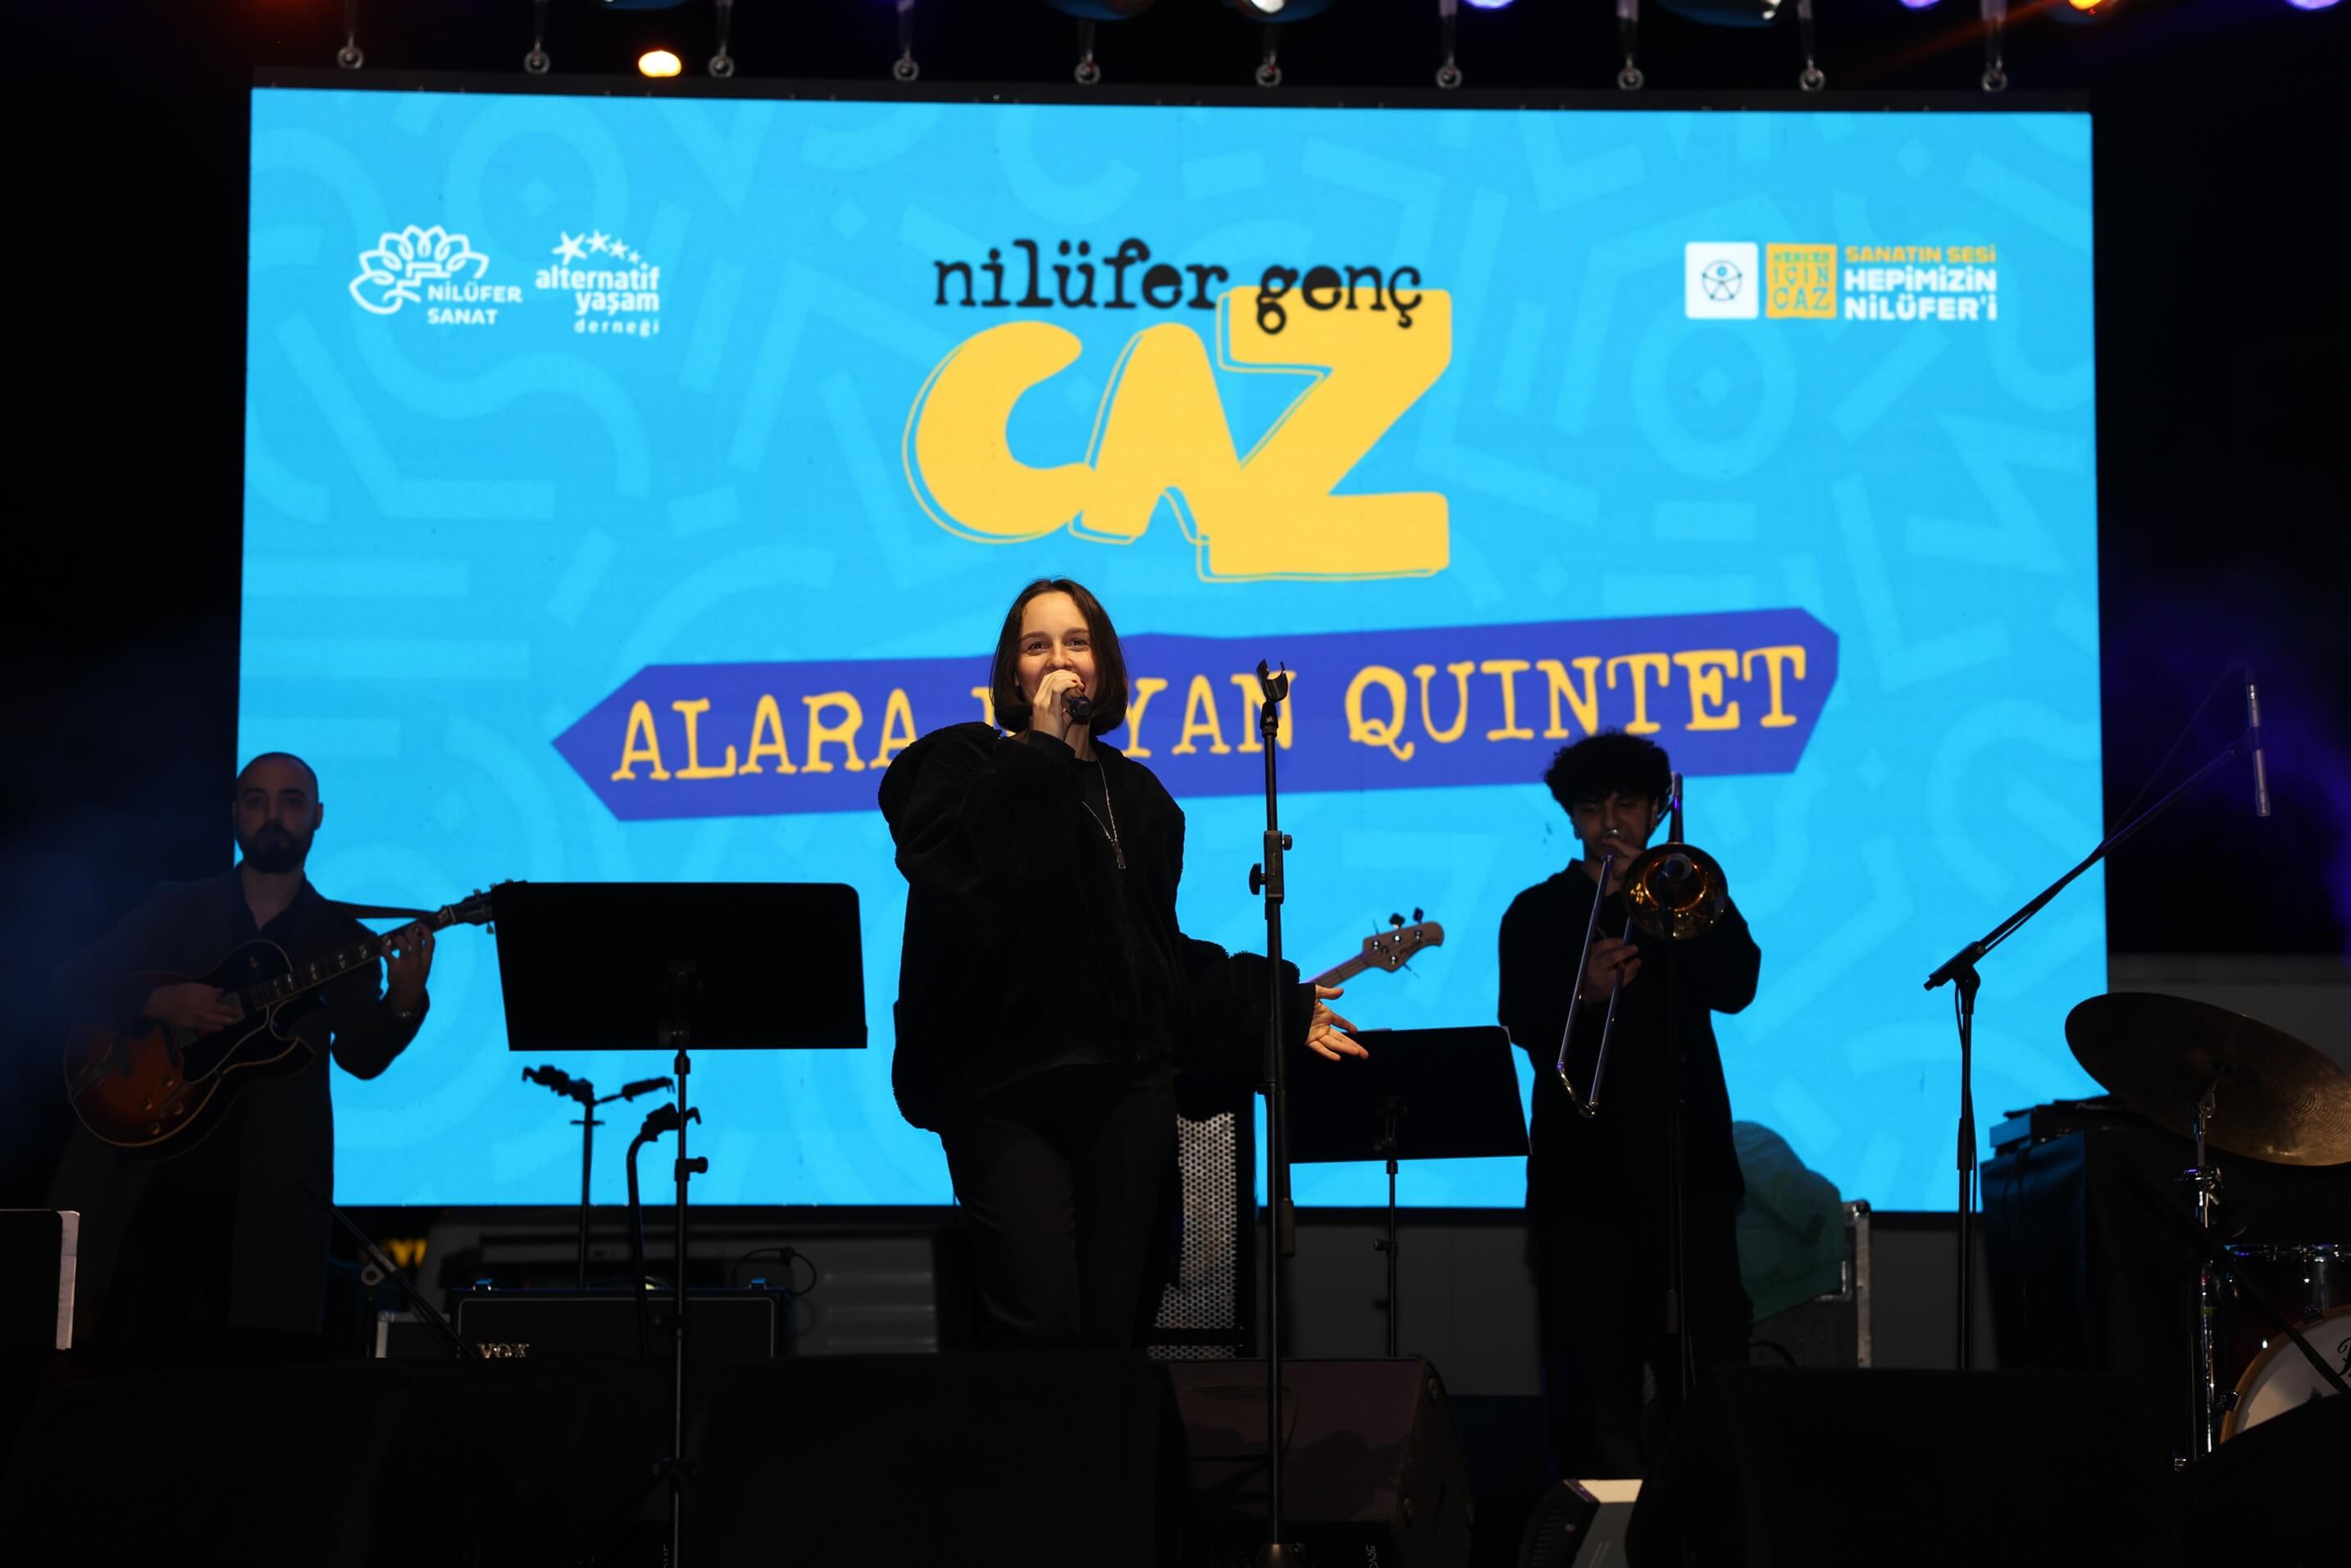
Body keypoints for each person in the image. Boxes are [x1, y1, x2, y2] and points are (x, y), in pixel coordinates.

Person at [881, 578, 1367, 1350]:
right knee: (1039, 1323)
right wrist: (1044, 748)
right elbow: (986, 880)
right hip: (1002, 1090)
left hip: (1124, 1092)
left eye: (1075, 643)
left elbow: (1149, 954)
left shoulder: (1138, 796)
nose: (1057, 660)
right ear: (1013, 674)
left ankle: (1112, 1437)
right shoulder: (957, 766)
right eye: (1036, 646)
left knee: (1116, 1329)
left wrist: (1272, 1002)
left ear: (1102, 664)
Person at [49, 751, 435, 1366]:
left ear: (317, 816)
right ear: (234, 813)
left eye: (290, 801)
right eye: (256, 800)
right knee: (125, 1377)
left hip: (269, 1200)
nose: (272, 815)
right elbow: (71, 983)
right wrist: (156, 1000)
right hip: (147, 1185)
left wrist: (405, 1002)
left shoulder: (343, 939)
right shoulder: (175, 908)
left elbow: (361, 1058)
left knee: (249, 1393)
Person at [1497, 732, 1761, 1478]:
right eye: (1591, 808)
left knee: (1710, 1394)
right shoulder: (1536, 911)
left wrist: (1677, 898)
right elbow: (1520, 1021)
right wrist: (1582, 994)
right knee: (1593, 1404)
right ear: (1569, 817)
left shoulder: (1685, 893)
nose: (1609, 822)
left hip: (1687, 1178)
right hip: (1582, 1185)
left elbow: (1737, 985)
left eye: (1626, 804)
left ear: (1655, 810)